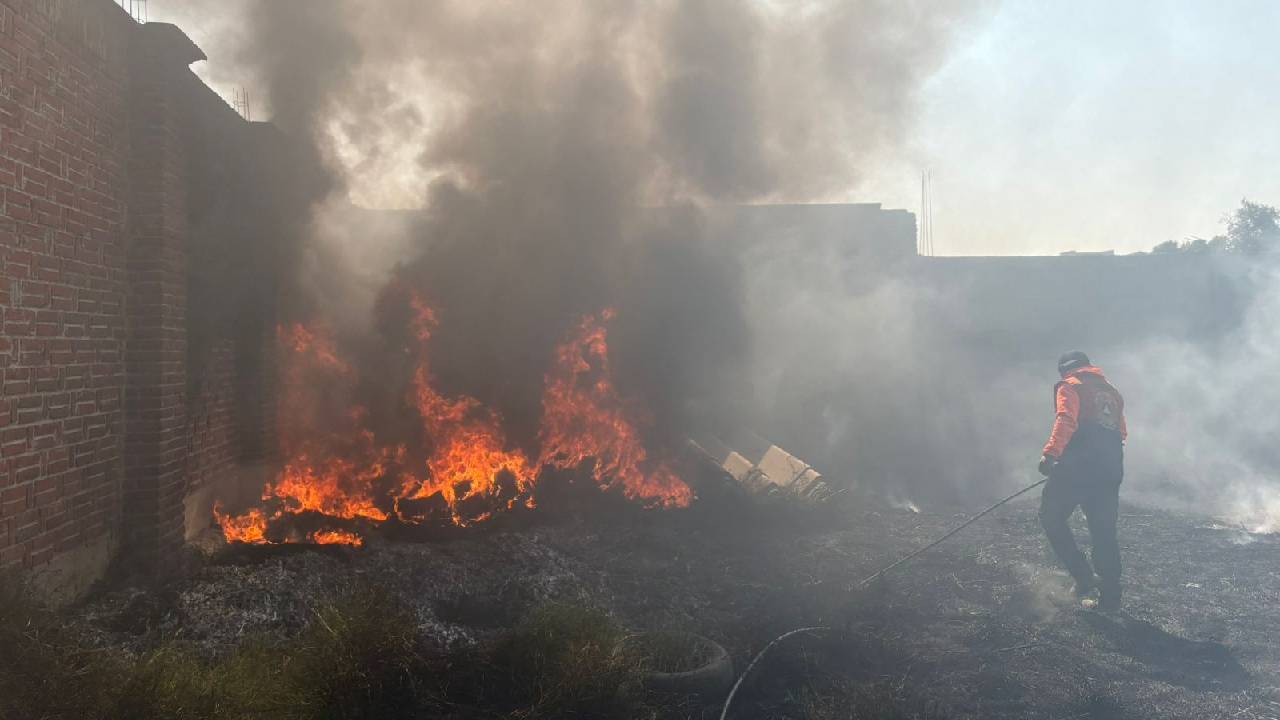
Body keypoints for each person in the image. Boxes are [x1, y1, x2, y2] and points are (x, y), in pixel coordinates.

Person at [1038, 351, 1126, 610]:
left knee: (1051, 516)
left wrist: (1050, 454)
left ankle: (1083, 577)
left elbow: (1066, 419)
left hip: (1076, 470)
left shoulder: (1070, 386)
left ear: (1065, 370)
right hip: (1109, 471)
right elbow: (1121, 432)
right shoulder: (1111, 391)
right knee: (1103, 530)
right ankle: (1110, 596)